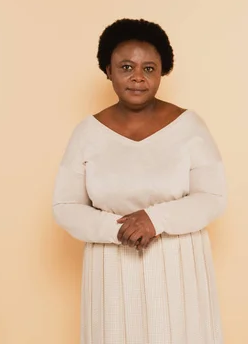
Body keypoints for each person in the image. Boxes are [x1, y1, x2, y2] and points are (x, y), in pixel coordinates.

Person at [52, 18, 226, 344]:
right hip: (111, 270)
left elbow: (213, 196)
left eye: (149, 69)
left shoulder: (190, 127)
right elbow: (65, 205)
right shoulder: (87, 133)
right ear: (108, 70)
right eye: (126, 66)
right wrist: (117, 229)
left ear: (162, 72)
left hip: (178, 267)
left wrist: (154, 219)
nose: (137, 77)